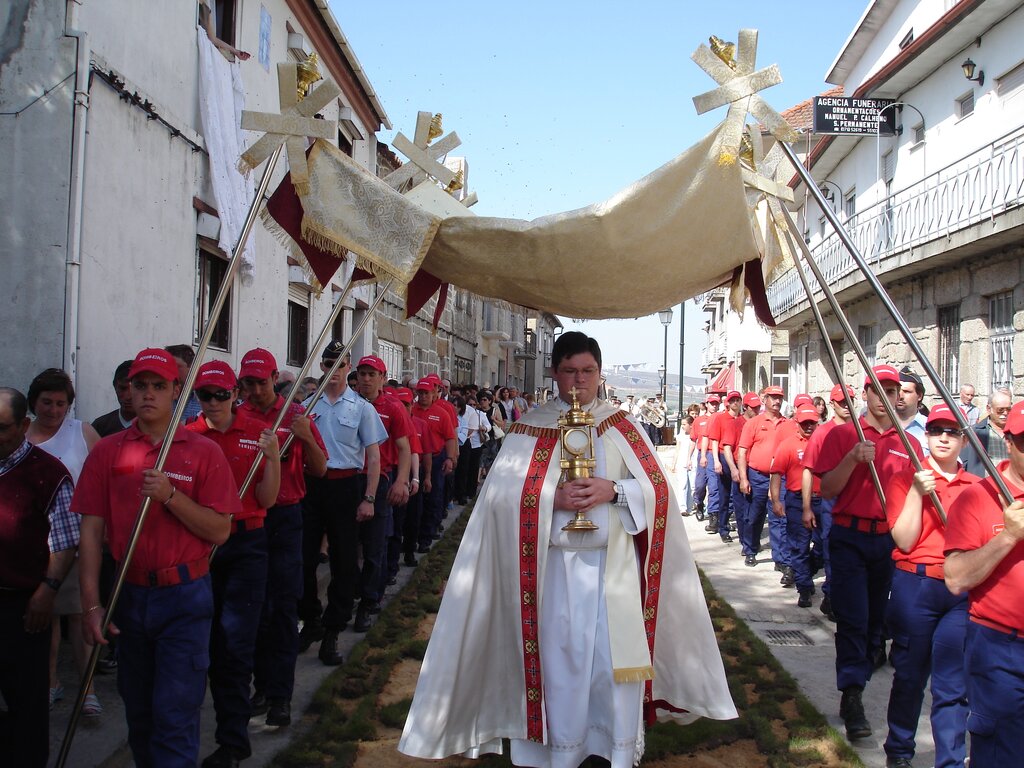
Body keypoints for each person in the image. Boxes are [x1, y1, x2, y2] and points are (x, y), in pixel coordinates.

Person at [398, 332, 736, 765]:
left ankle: (606, 749)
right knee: (556, 669)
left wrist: (612, 489)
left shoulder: (622, 426)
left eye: (588, 371)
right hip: (549, 574)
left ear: (601, 372)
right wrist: (548, 497)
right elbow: (496, 498)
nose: (579, 380)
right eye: (570, 371)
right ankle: (551, 752)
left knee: (608, 669)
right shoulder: (528, 427)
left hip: (611, 573)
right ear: (555, 373)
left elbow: (659, 492)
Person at [75, 348, 240, 767]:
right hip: (128, 595)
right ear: (128, 390)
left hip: (184, 596)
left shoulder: (203, 451)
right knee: (140, 714)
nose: (148, 394)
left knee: (175, 715)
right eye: (140, 385)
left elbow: (220, 529)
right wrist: (91, 605)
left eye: (159, 386)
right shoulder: (107, 451)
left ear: (176, 391)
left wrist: (171, 496)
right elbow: (91, 533)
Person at [813, 364, 923, 741]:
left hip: (886, 542)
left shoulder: (910, 444)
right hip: (849, 537)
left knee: (878, 623)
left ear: (899, 398)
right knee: (854, 619)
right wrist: (852, 459)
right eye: (877, 390)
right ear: (866, 394)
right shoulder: (844, 435)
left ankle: (861, 669)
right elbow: (827, 490)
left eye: (892, 391)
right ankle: (852, 693)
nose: (884, 398)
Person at [186, 360, 281, 768]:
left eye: (221, 394)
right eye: (204, 395)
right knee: (195, 645)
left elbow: (268, 499)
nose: (212, 403)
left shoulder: (256, 436)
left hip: (246, 543)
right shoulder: (186, 437)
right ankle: (180, 740)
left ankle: (232, 741)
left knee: (234, 645)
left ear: (235, 394)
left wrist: (274, 458)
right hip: (200, 545)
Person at [883, 403, 977, 768]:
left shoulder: (978, 487)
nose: (942, 438)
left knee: (953, 686)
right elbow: (904, 540)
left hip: (958, 594)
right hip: (916, 585)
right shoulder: (905, 477)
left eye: (951, 432)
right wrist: (917, 491)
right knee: (909, 674)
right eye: (936, 430)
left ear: (964, 440)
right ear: (926, 435)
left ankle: (950, 761)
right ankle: (900, 751)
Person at [237, 347, 326, 727]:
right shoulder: (237, 415)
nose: (255, 390)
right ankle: (260, 687)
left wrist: (305, 437)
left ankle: (281, 695)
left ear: (275, 378)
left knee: (283, 608)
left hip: (286, 518)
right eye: (248, 383)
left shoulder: (295, 414)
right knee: (253, 610)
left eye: (262, 382)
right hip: (247, 518)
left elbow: (320, 468)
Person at [944, 399, 1024, 767]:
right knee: (1000, 755)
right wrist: (1007, 537)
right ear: (1008, 441)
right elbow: (956, 578)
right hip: (1000, 648)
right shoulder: (978, 496)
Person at [0, 387, 76, 768]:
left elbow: (63, 541)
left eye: (2, 428)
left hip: (23, 607)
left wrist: (47, 591)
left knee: (27, 705)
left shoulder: (47, 474)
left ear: (23, 425)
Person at [300, 343, 386, 662]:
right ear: (321, 367)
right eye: (328, 364)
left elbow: (373, 458)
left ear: (347, 367)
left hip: (347, 486)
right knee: (305, 559)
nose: (334, 370)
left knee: (344, 561)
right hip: (313, 487)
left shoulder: (362, 408)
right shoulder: (308, 406)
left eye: (340, 365)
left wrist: (369, 497)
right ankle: (311, 620)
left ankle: (333, 630)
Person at [24, 369, 102, 716]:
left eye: (60, 403)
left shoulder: (81, 432)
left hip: (77, 539)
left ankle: (87, 690)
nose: (53, 410)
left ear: (70, 405)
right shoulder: (20, 434)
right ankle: (50, 683)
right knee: (45, 616)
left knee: (79, 614)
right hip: (32, 539)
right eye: (46, 402)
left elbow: (104, 478)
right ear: (33, 402)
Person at [354, 355, 411, 609]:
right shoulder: (349, 403)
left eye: (371, 374)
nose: (366, 379)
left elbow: (404, 448)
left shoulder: (393, 407)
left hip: (380, 480)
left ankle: (369, 601)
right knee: (348, 545)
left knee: (375, 545)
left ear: (382, 378)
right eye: (362, 374)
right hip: (348, 479)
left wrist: (402, 481)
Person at [800, 384, 856, 621]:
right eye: (842, 401)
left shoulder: (861, 431)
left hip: (854, 502)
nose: (846, 405)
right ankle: (831, 596)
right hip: (830, 502)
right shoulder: (822, 433)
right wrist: (806, 507)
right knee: (831, 550)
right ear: (832, 404)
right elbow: (808, 470)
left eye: (849, 400)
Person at [770, 405, 822, 607]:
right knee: (798, 547)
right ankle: (804, 588)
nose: (809, 427)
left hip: (822, 500)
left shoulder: (825, 442)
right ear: (798, 424)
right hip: (797, 501)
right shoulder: (788, 445)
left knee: (823, 546)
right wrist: (776, 500)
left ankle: (806, 569)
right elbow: (776, 474)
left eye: (812, 423)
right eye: (805, 423)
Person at [737, 385, 786, 568]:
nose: (777, 401)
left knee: (777, 516)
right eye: (773, 397)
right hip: (757, 476)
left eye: (780, 397)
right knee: (754, 516)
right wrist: (743, 478)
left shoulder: (786, 423)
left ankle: (779, 557)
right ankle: (750, 550)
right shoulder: (754, 423)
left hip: (779, 478)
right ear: (765, 399)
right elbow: (742, 452)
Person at [706, 391, 741, 541]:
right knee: (724, 496)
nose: (735, 403)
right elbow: (714, 440)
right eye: (732, 400)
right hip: (723, 458)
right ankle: (723, 528)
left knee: (739, 498)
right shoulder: (720, 418)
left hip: (739, 460)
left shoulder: (743, 419)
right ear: (727, 403)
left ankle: (742, 530)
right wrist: (716, 461)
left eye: (737, 400)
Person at [959, 388, 1012, 476]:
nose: (1005, 413)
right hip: (984, 487)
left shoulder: (1016, 433)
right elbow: (961, 465)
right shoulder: (973, 433)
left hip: (1011, 487)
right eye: (1000, 410)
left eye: (1008, 409)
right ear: (989, 409)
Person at [91, 360, 136, 437]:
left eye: (134, 388)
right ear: (115, 387)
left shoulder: (156, 427)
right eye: (123, 388)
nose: (128, 396)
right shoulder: (99, 426)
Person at [165, 344, 204, 423]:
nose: (168, 371)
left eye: (174, 366)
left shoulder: (207, 398)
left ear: (192, 367)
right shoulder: (162, 397)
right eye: (165, 367)